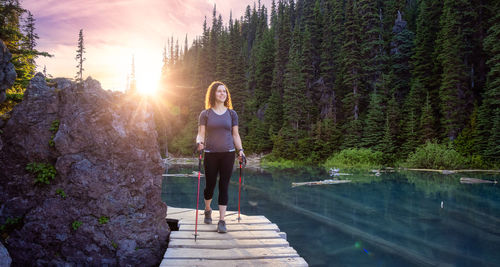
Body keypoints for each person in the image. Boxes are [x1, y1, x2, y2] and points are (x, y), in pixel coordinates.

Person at [196, 81, 245, 233]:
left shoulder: (232, 114)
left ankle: (222, 220)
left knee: (224, 186)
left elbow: (235, 135)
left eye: (224, 91)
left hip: (228, 154)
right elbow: (201, 134)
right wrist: (199, 142)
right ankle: (208, 209)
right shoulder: (206, 114)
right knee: (210, 186)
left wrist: (241, 151)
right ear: (213, 94)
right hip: (210, 154)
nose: (222, 93)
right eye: (219, 91)